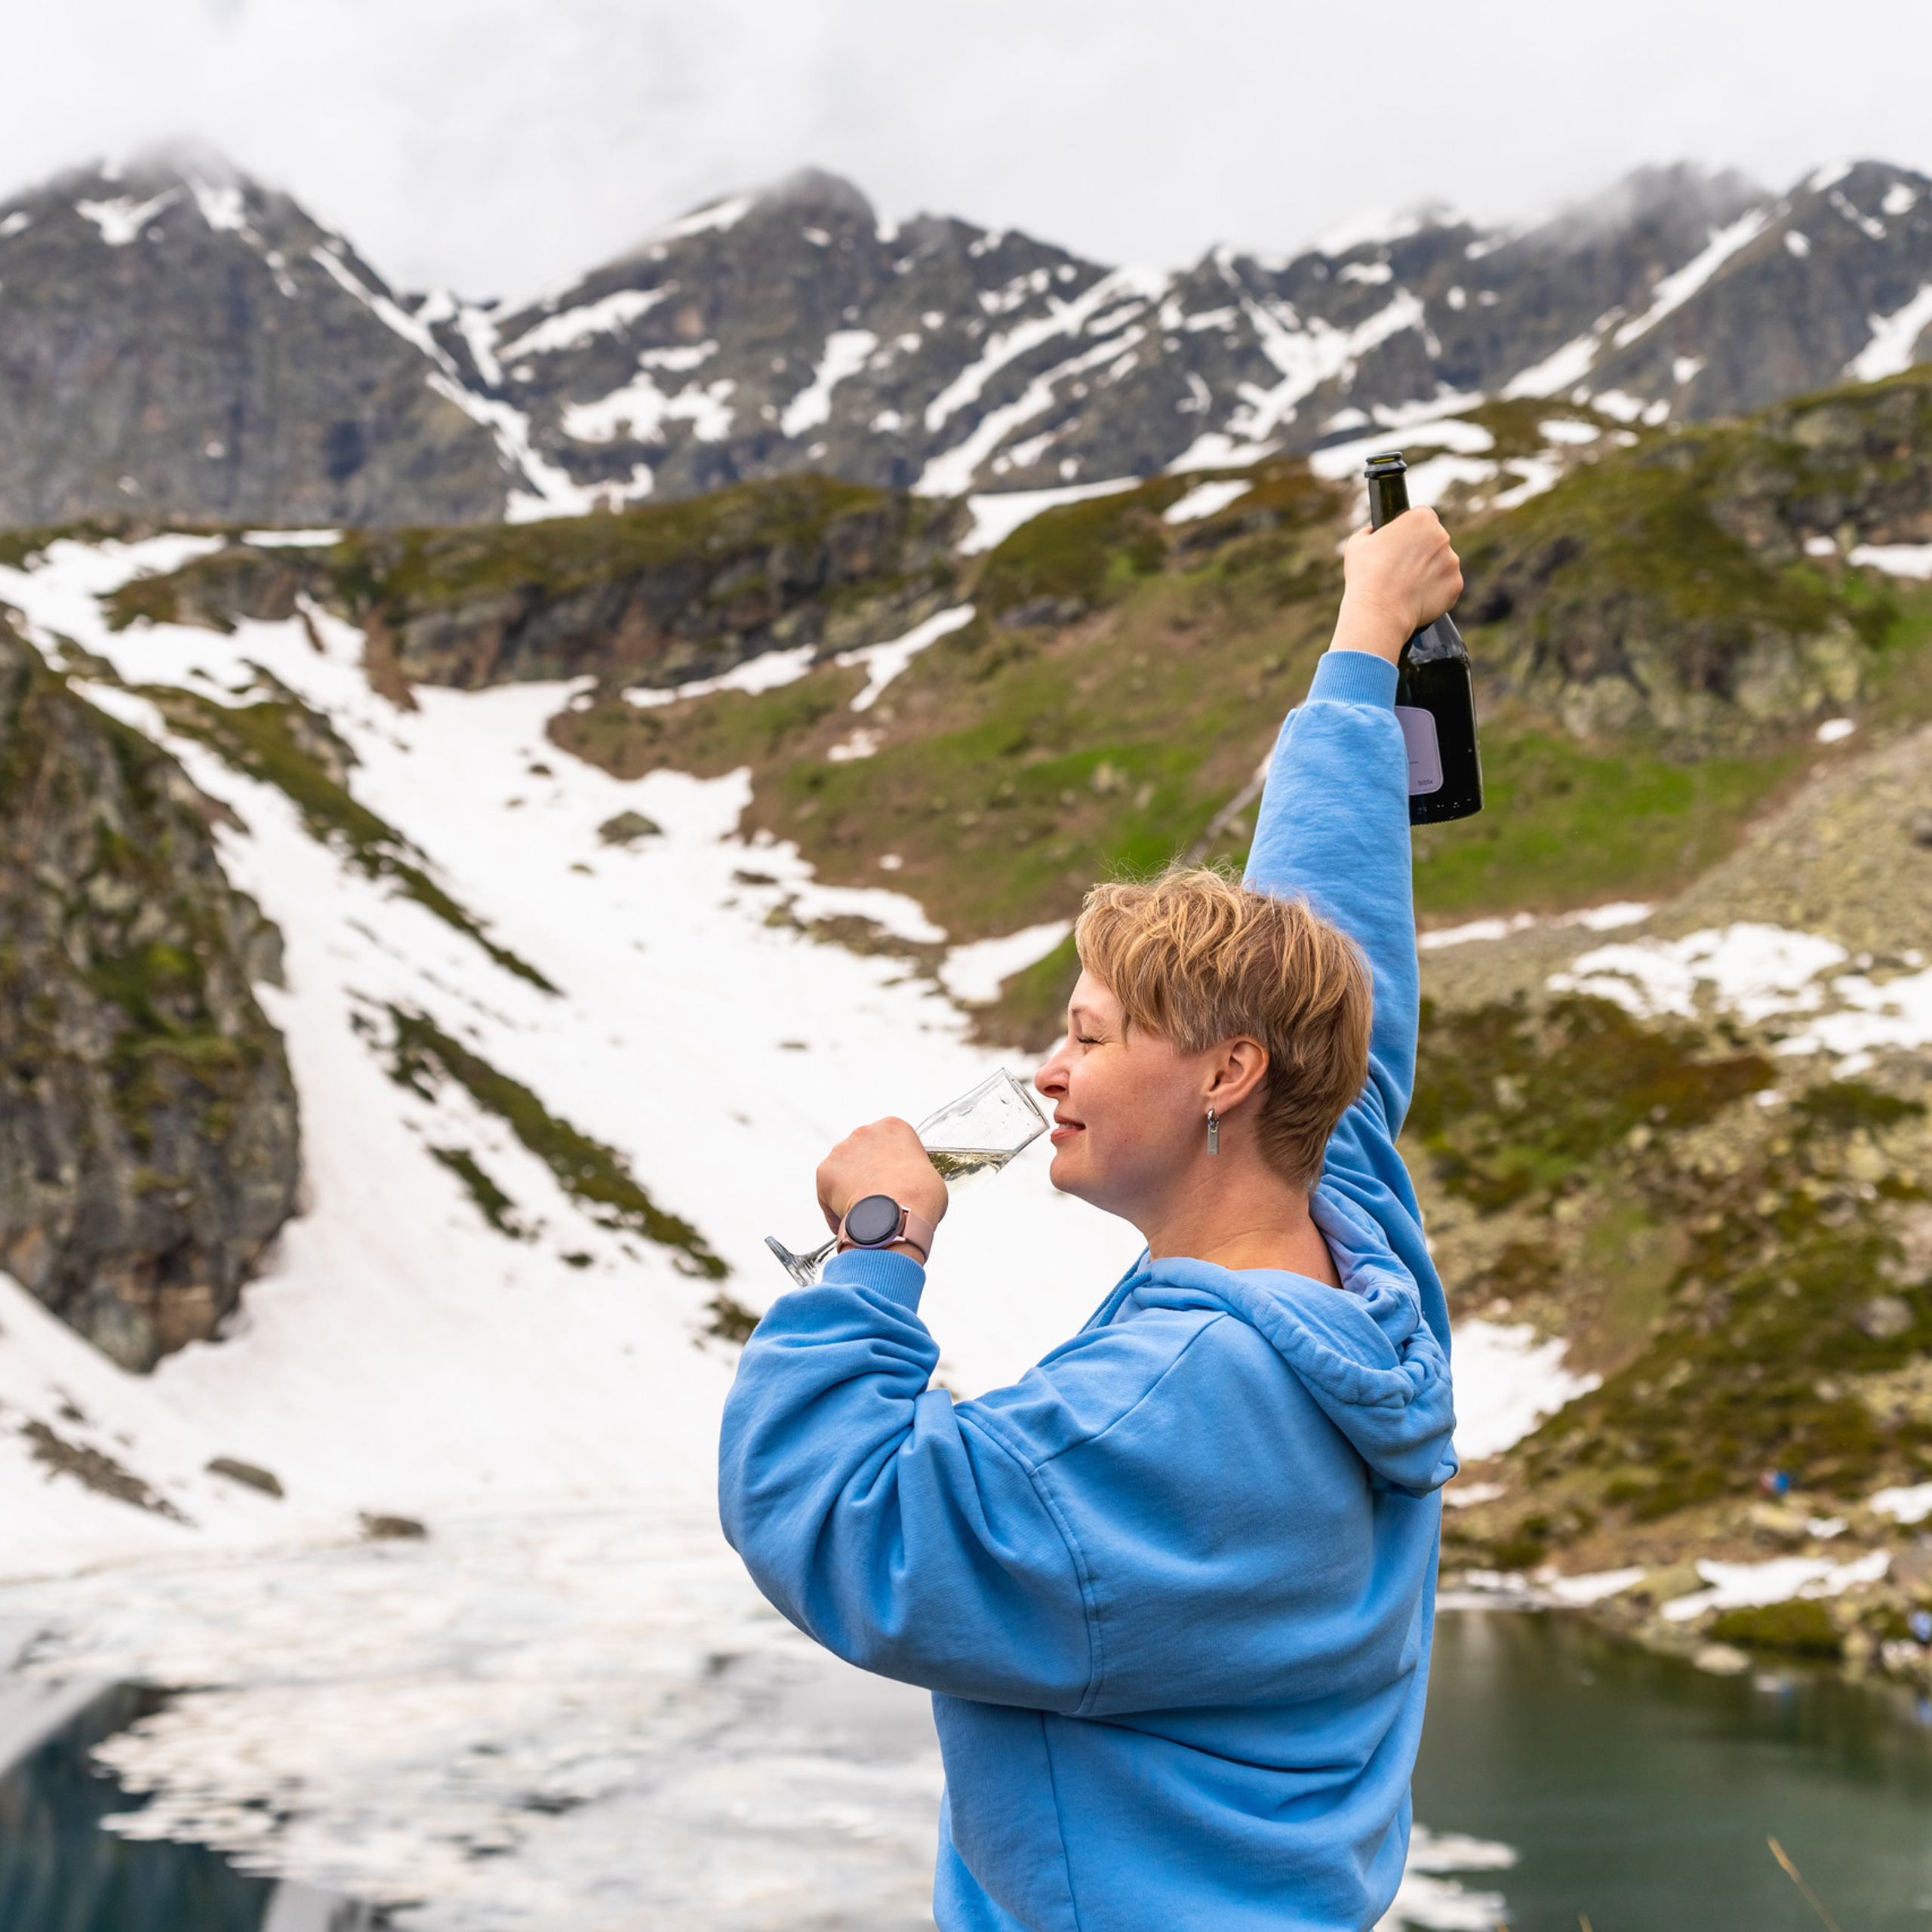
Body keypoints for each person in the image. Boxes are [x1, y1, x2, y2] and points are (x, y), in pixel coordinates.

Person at [718, 505, 1464, 1930]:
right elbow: (1334, 933)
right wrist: (1364, 646)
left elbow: (849, 1525)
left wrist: (875, 1250)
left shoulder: (1176, 1406)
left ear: (1227, 1078)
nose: (1049, 1069)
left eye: (1093, 1035)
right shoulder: (1350, 1230)